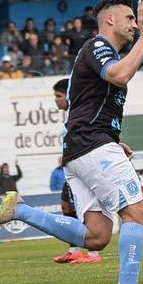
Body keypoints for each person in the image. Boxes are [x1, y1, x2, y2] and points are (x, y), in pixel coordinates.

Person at [0, 0, 143, 284]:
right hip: (92, 146)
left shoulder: (99, 52)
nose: (135, 25)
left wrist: (111, 139)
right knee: (136, 213)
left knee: (97, 236)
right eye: (129, 18)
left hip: (84, 148)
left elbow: (84, 106)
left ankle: (21, 211)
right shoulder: (98, 47)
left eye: (137, 21)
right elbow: (119, 75)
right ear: (109, 20)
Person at [50, 79, 101, 264]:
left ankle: (93, 253)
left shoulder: (80, 113)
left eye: (58, 96)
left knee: (85, 207)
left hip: (84, 166)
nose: (56, 100)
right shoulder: (70, 115)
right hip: (72, 167)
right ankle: (74, 249)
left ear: (69, 95)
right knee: (66, 205)